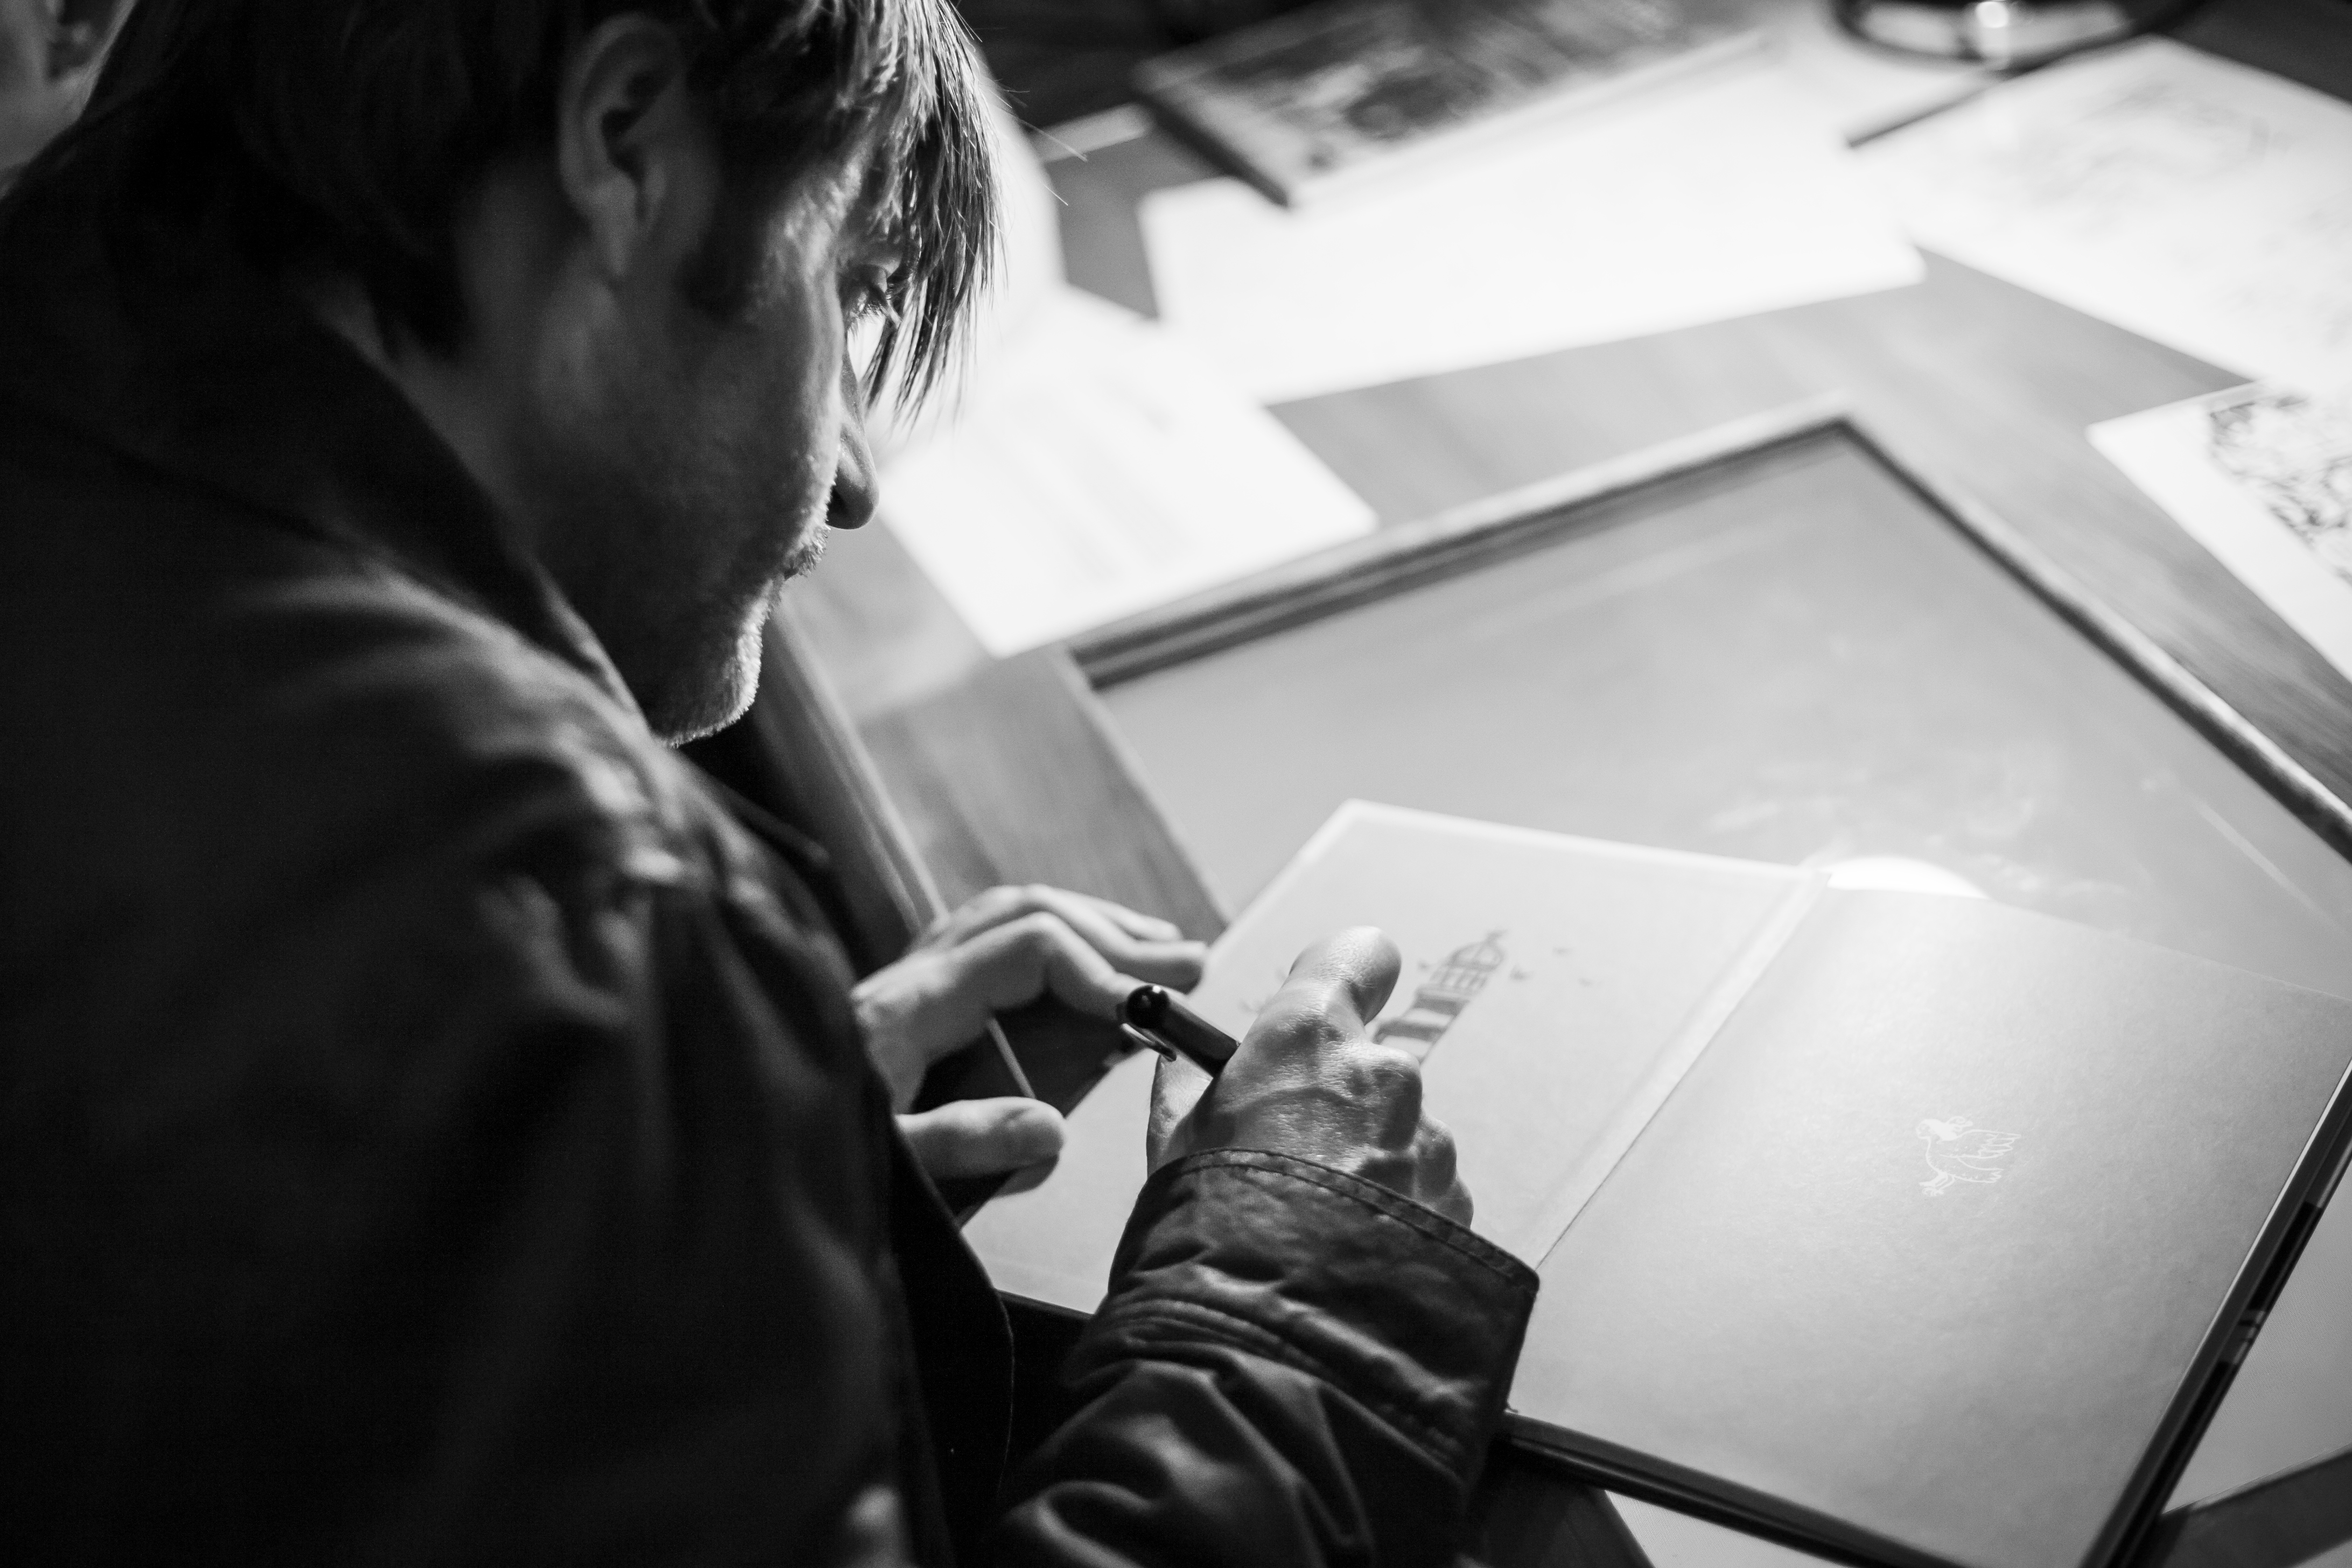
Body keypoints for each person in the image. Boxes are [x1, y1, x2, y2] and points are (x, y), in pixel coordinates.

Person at [0, 2, 1538, 1563]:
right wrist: (1298, 1311)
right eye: (855, 286)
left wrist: (692, 1177)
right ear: (624, 152)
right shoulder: (569, 924)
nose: (857, 477)